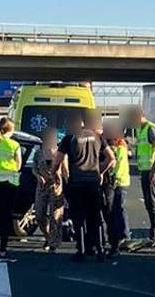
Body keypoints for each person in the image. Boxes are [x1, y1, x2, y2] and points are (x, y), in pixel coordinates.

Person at [52, 110, 114, 262]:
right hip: (93, 183)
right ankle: (100, 249)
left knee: (79, 218)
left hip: (77, 183)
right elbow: (111, 158)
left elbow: (58, 160)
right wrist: (99, 172)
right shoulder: (98, 137)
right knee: (95, 217)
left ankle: (82, 250)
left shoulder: (70, 138)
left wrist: (53, 174)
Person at [0, 117, 23, 262]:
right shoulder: (14, 144)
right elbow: (18, 165)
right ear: (11, 130)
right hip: (9, 184)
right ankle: (3, 250)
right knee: (6, 218)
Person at [129, 106, 155, 245]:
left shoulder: (150, 128)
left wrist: (154, 169)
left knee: (152, 202)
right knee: (148, 203)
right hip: (145, 170)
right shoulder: (140, 129)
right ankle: (153, 233)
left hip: (153, 170)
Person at [102, 120, 132, 260]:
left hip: (116, 182)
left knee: (114, 211)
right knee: (118, 209)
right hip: (121, 181)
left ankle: (121, 236)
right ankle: (123, 235)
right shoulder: (122, 144)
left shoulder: (116, 146)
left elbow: (114, 164)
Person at [32, 126, 65, 252]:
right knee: (39, 214)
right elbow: (34, 167)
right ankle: (47, 236)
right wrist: (38, 176)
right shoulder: (39, 152)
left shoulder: (60, 152)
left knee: (55, 215)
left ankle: (54, 242)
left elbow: (65, 170)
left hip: (56, 186)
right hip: (42, 186)